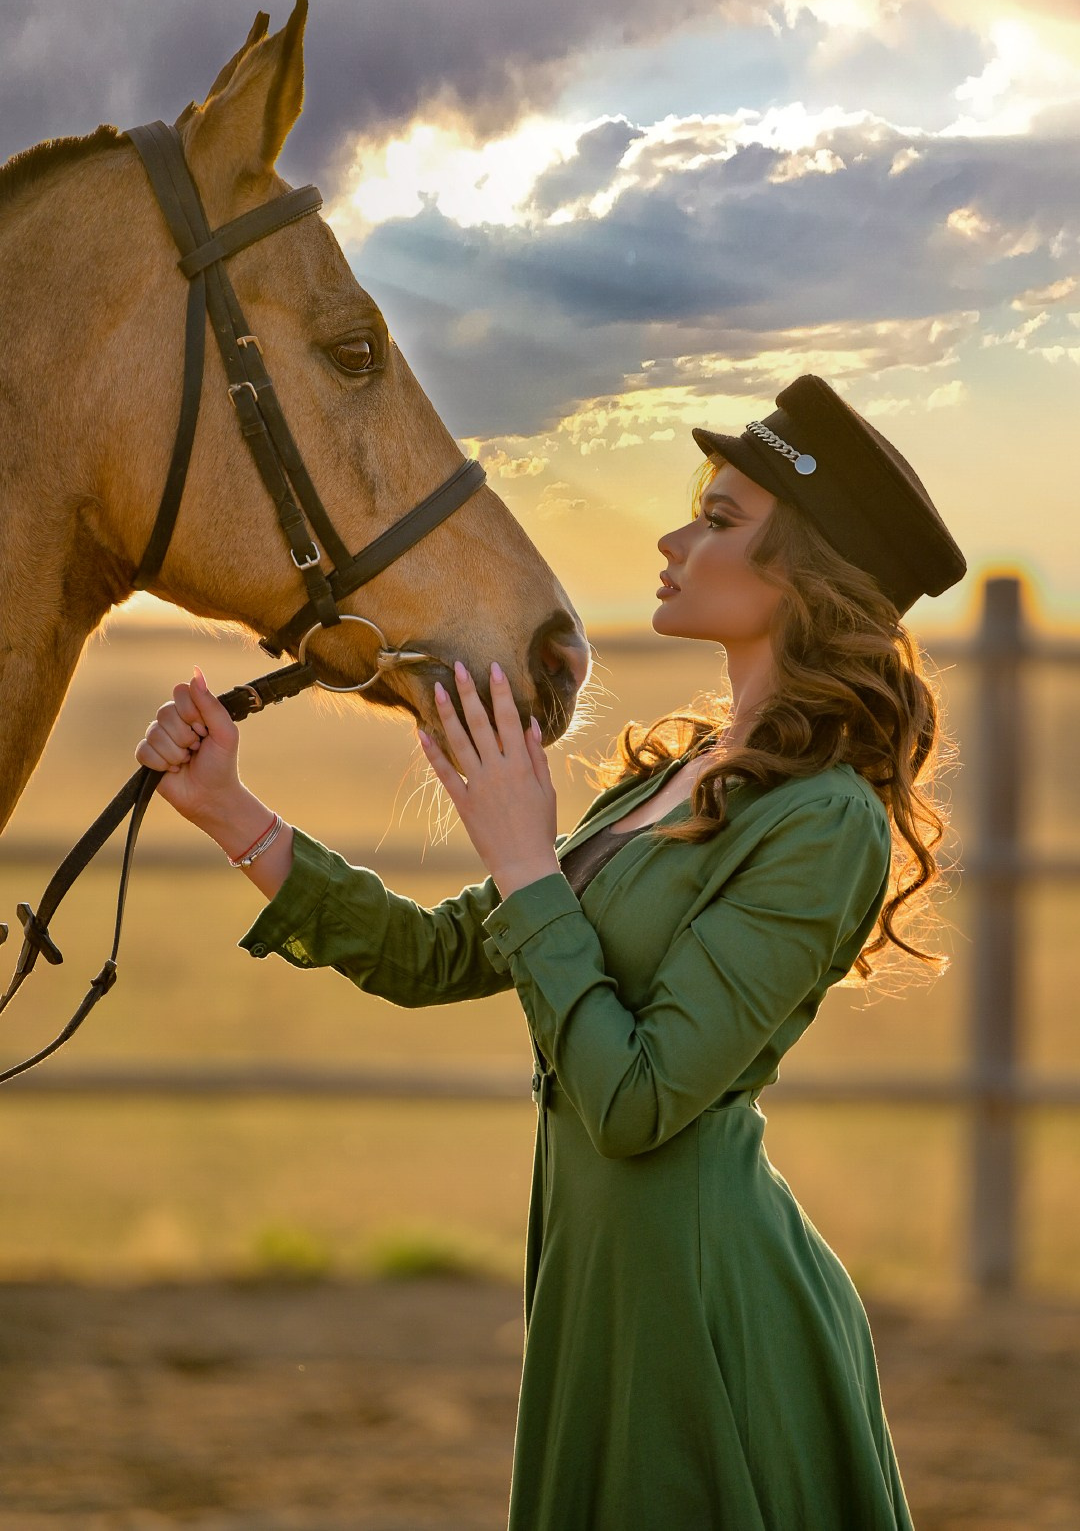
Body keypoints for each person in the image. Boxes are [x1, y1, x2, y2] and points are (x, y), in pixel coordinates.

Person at [137, 373, 966, 1530]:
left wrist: (528, 859)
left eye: (721, 521)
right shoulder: (670, 777)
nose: (675, 538)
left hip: (702, 1297)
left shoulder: (823, 823)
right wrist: (232, 811)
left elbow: (633, 1103)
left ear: (804, 580)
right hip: (596, 1277)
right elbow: (434, 959)